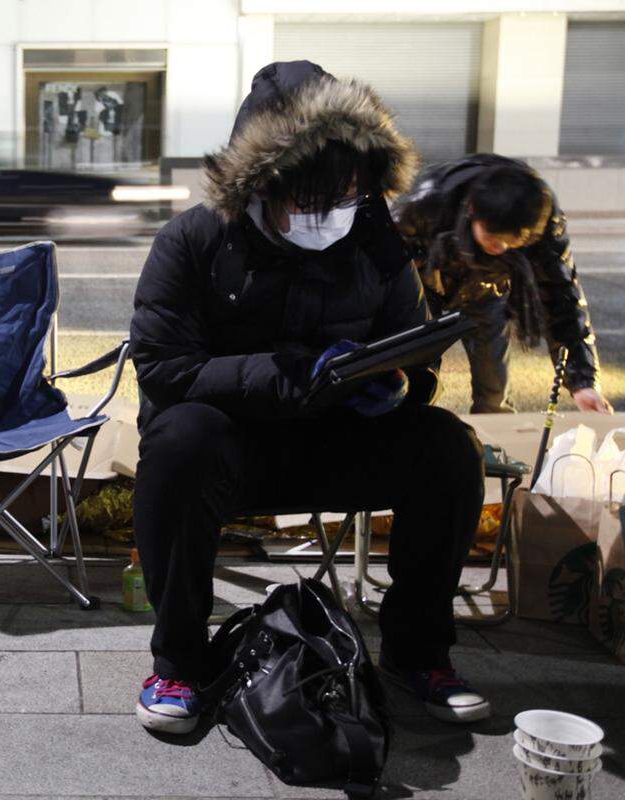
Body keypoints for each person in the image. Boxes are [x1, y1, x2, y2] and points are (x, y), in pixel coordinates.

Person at [129, 61, 490, 735]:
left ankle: (419, 654)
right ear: (264, 182)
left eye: (350, 194)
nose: (334, 214)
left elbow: (415, 347)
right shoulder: (195, 240)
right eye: (315, 198)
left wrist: (402, 385)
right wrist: (283, 371)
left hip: (336, 437)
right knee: (180, 439)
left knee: (445, 447)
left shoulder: (375, 241)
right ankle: (178, 662)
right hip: (230, 448)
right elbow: (164, 368)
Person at [394, 154, 610, 414]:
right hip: (422, 286)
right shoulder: (425, 203)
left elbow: (562, 297)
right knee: (414, 385)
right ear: (473, 213)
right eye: (493, 238)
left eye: (512, 243)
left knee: (494, 391)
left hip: (487, 290)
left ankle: (490, 449)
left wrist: (582, 381)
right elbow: (384, 270)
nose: (501, 248)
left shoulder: (541, 219)